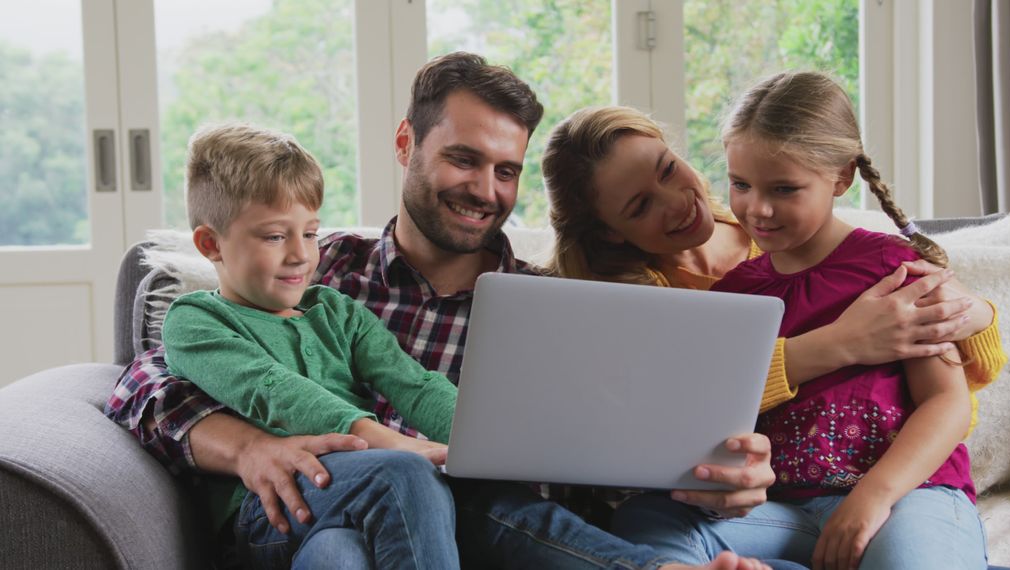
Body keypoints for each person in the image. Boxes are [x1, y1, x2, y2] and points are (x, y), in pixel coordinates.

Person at [106, 52, 775, 570]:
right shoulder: (319, 272)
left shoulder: (549, 309)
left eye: (505, 171)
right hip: (319, 504)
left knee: (481, 494)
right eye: (463, 159)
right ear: (406, 144)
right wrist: (248, 447)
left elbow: (593, 456)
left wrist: (708, 474)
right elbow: (145, 385)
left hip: (483, 526)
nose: (485, 190)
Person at [541, 95, 1006, 565]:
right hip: (786, 509)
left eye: (667, 169)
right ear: (610, 232)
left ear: (841, 177)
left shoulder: (888, 265)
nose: (758, 209)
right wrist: (836, 345)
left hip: (906, 493)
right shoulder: (724, 294)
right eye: (741, 185)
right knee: (650, 522)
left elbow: (948, 398)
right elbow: (692, 412)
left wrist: (975, 312)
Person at [161, 122, 461, 568]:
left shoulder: (335, 312)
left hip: (349, 499)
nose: (300, 254)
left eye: (310, 233)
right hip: (269, 511)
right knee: (404, 474)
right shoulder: (196, 320)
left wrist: (481, 436)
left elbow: (413, 384)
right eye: (275, 236)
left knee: (338, 554)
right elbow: (270, 389)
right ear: (211, 244)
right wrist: (379, 440)